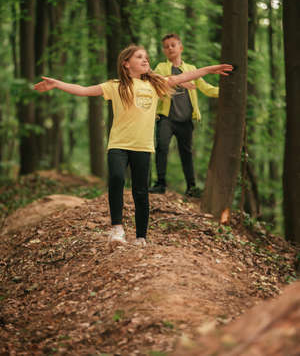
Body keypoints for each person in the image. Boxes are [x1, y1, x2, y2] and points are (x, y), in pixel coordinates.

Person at [34, 45, 232, 248]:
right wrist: (57, 84)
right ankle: (117, 230)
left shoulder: (156, 85)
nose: (145, 60)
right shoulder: (115, 85)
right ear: (126, 63)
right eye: (139, 57)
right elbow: (84, 91)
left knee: (140, 192)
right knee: (117, 178)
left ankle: (140, 237)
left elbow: (184, 76)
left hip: (143, 147)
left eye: (146, 57)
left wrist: (209, 69)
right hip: (118, 144)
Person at [149, 33, 220, 197]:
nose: (170, 48)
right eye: (166, 47)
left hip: (186, 119)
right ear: (164, 51)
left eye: (173, 45)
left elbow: (206, 88)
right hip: (166, 118)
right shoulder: (161, 67)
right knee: (162, 147)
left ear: (180, 47)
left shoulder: (192, 69)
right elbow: (158, 79)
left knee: (186, 152)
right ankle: (160, 184)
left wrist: (226, 92)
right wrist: (180, 81)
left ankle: (191, 187)